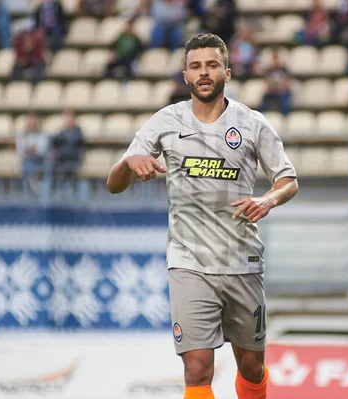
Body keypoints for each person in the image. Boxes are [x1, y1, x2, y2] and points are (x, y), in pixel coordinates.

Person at [107, 33, 299, 399]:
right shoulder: (164, 122)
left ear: (227, 71)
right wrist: (128, 162)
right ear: (185, 76)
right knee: (197, 368)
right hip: (188, 262)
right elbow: (114, 184)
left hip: (242, 260)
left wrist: (269, 200)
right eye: (196, 66)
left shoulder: (252, 123)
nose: (204, 73)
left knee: (251, 366)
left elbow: (289, 179)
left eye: (212, 65)